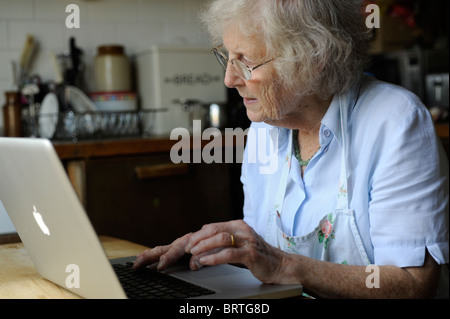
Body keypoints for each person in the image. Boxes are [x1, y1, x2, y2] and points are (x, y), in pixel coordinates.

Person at [133, 0, 449, 298]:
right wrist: (208, 251)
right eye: (227, 56)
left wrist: (287, 267)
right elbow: (261, 259)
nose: (229, 79)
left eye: (247, 62)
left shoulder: (395, 122)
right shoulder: (264, 128)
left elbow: (412, 285)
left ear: (312, 57)